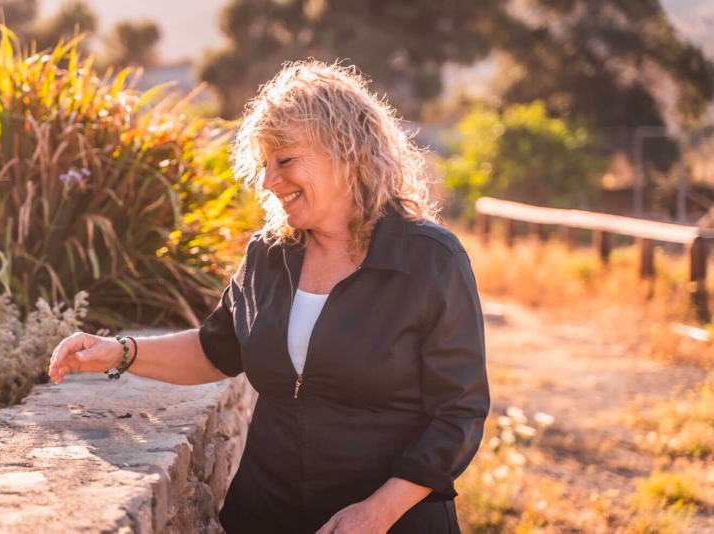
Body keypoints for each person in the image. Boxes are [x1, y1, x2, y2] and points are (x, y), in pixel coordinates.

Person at [49, 59, 490, 534]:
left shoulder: (430, 259)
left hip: (392, 523)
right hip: (265, 514)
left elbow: (459, 413)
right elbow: (216, 350)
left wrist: (379, 511)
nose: (268, 182)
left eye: (285, 161)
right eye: (264, 166)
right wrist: (120, 352)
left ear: (348, 152)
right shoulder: (269, 253)